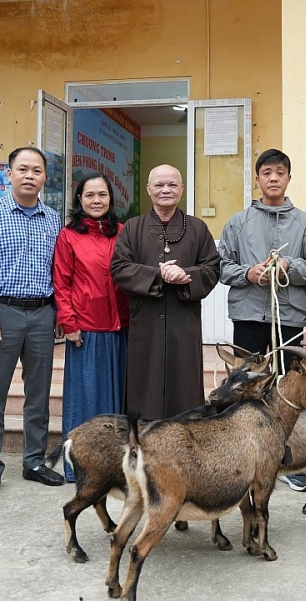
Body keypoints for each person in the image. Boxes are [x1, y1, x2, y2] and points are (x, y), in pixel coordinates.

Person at [218, 148, 306, 491]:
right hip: (249, 312)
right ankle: (241, 456)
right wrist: (248, 272)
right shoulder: (238, 222)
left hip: (289, 316)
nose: (273, 178)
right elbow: (221, 266)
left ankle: (287, 459)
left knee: (288, 387)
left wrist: (288, 267)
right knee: (246, 382)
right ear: (258, 178)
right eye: (267, 172)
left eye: (280, 172)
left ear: (289, 178)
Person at [0, 147, 63, 500]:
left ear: (44, 178)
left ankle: (34, 461)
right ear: (9, 174)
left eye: (36, 170)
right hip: (2, 312)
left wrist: (57, 313)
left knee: (38, 394)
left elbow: (57, 271)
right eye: (22, 169)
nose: (29, 176)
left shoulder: (52, 219)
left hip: (42, 313)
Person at [110, 164, 220, 420]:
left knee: (184, 385)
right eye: (159, 185)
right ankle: (144, 441)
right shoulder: (133, 228)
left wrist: (186, 276)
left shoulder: (197, 228)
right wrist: (156, 274)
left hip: (184, 321)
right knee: (144, 383)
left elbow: (213, 268)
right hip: (145, 321)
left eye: (172, 184)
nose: (165, 190)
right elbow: (119, 268)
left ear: (182, 189)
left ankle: (184, 437)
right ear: (149, 189)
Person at [53, 172, 129, 481]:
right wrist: (68, 322)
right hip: (86, 328)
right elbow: (62, 283)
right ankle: (82, 465)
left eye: (102, 195)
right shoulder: (69, 236)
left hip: (122, 327)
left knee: (118, 397)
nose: (96, 200)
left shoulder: (123, 232)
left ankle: (116, 464)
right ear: (79, 200)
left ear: (111, 199)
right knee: (85, 397)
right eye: (89, 195)